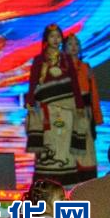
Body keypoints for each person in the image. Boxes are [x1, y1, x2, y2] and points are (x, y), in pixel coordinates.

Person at [25, 24, 85, 184]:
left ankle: (67, 181)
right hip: (47, 109)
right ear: (46, 39)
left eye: (58, 36)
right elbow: (33, 83)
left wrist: (79, 105)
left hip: (67, 108)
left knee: (64, 141)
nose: (56, 39)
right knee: (49, 140)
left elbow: (74, 83)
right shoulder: (39, 60)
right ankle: (46, 181)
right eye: (52, 36)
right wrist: (30, 102)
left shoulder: (66, 59)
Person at [63, 34, 101, 182]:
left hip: (84, 113)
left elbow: (93, 93)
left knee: (86, 146)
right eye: (70, 44)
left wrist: (96, 117)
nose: (74, 47)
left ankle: (87, 184)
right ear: (64, 48)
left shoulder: (86, 67)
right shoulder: (60, 69)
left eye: (76, 44)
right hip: (67, 112)